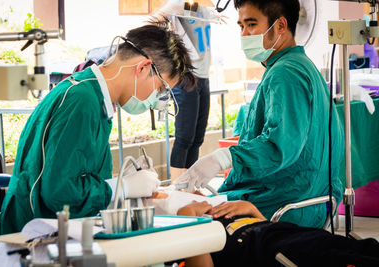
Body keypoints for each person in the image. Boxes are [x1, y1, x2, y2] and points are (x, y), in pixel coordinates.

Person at [0, 19, 195, 236]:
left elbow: (74, 173)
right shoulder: (81, 101)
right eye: (160, 88)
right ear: (143, 67)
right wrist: (121, 187)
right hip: (32, 239)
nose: (156, 100)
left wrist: (121, 186)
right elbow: (59, 193)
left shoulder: (93, 97)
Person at [175, 0, 345, 228]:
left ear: (281, 26)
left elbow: (280, 146)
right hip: (300, 196)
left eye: (252, 25)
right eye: (241, 26)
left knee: (189, 221)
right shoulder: (298, 65)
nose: (245, 34)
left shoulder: (285, 74)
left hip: (284, 205)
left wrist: (223, 158)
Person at [177, 201, 379, 267]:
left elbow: (266, 229)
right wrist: (187, 216)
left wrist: (252, 210)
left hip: (303, 237)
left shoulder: (223, 211)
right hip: (289, 251)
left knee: (365, 248)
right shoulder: (192, 235)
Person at [158, 0, 218, 179]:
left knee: (198, 138)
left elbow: (214, 8)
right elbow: (157, 17)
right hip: (186, 77)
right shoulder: (179, 6)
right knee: (184, 137)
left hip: (204, 75)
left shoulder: (205, 8)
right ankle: (177, 186)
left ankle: (189, 185)